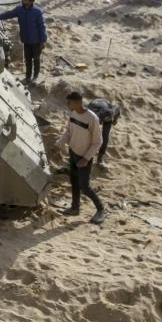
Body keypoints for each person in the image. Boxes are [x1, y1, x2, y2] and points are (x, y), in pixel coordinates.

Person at [56, 92, 106, 224]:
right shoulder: (73, 114)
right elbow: (68, 131)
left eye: (69, 102)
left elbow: (98, 142)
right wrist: (59, 144)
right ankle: (74, 208)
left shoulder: (92, 118)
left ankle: (101, 209)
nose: (67, 105)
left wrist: (86, 158)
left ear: (77, 102)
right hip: (73, 152)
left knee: (84, 186)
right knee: (74, 182)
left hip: (84, 157)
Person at [0, 0, 47, 84]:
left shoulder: (37, 12)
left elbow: (41, 27)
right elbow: (9, 14)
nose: (23, 0)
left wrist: (43, 41)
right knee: (27, 59)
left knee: (36, 59)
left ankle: (35, 77)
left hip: (36, 41)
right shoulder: (20, 9)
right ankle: (27, 77)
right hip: (26, 40)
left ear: (30, 2)